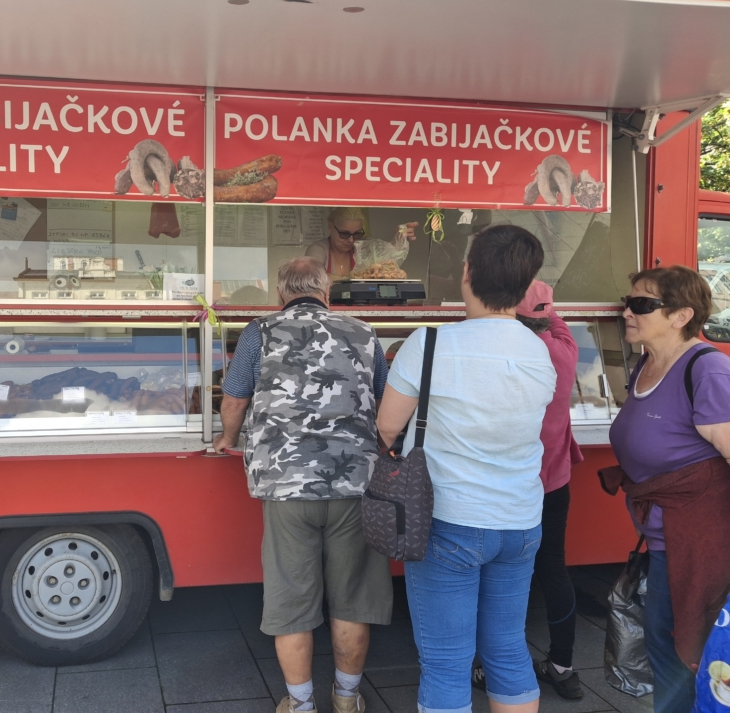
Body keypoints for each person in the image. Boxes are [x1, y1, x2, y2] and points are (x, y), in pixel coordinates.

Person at [377, 225, 557, 713]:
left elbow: (387, 427)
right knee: (508, 647)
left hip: (449, 520)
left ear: (467, 273)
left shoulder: (429, 343)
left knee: (445, 661)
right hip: (521, 522)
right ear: (527, 285)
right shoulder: (538, 350)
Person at [212, 256, 392, 713]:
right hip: (354, 485)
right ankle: (347, 699)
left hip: (286, 487)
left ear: (281, 294)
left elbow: (234, 399)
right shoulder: (364, 332)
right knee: (353, 599)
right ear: (326, 293)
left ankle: (301, 703)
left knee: (291, 598)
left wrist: (228, 438)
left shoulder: (259, 331)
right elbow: (387, 403)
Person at [604, 265, 730, 713]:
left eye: (642, 304)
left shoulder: (707, 369)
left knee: (679, 650)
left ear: (681, 315)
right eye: (629, 301)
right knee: (665, 642)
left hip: (696, 539)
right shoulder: (648, 362)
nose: (627, 311)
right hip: (665, 534)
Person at [479, 280, 586, 699]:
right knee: (553, 570)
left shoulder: (503, 354)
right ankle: (562, 664)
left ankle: (487, 664)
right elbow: (554, 320)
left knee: (494, 573)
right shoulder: (565, 349)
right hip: (553, 482)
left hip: (507, 483)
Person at [304, 207, 367, 280]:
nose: (351, 240)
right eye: (344, 234)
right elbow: (311, 276)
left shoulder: (362, 250)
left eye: (357, 234)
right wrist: (349, 278)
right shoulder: (318, 249)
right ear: (330, 227)